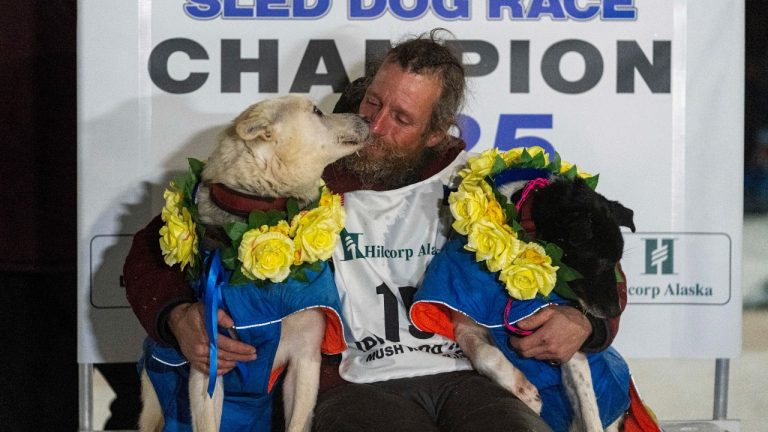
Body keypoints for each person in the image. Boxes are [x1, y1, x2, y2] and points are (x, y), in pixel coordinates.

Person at [124, 29, 625, 431]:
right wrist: (176, 316)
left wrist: (584, 319)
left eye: (402, 118)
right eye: (372, 103)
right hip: (355, 386)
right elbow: (156, 246)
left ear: (437, 131)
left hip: (472, 376)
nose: (376, 126)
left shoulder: (485, 186)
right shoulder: (298, 172)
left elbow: (596, 251)